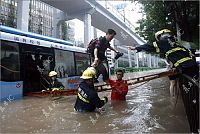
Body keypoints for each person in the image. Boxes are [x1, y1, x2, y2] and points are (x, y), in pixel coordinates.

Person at [129, 29, 199, 133]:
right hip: (194, 68)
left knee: (189, 98)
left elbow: (150, 46)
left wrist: (136, 48)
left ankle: (194, 128)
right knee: (195, 93)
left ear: (161, 36)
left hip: (184, 71)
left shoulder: (164, 42)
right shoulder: (178, 44)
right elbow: (188, 55)